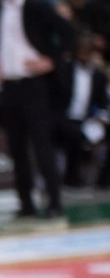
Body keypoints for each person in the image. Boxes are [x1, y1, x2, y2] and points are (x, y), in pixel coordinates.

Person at [0, 0, 77, 218]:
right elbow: (1, 40)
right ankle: (25, 203)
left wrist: (51, 61)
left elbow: (67, 32)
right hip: (9, 84)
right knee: (16, 147)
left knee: (41, 144)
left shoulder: (36, 5)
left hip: (34, 85)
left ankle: (54, 202)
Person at [55, 35, 108, 188]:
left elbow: (103, 102)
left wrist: (101, 119)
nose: (84, 54)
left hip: (88, 120)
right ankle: (71, 178)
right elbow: (55, 98)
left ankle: (104, 179)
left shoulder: (98, 75)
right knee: (74, 134)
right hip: (64, 118)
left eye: (87, 51)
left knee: (90, 132)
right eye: (81, 50)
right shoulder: (65, 71)